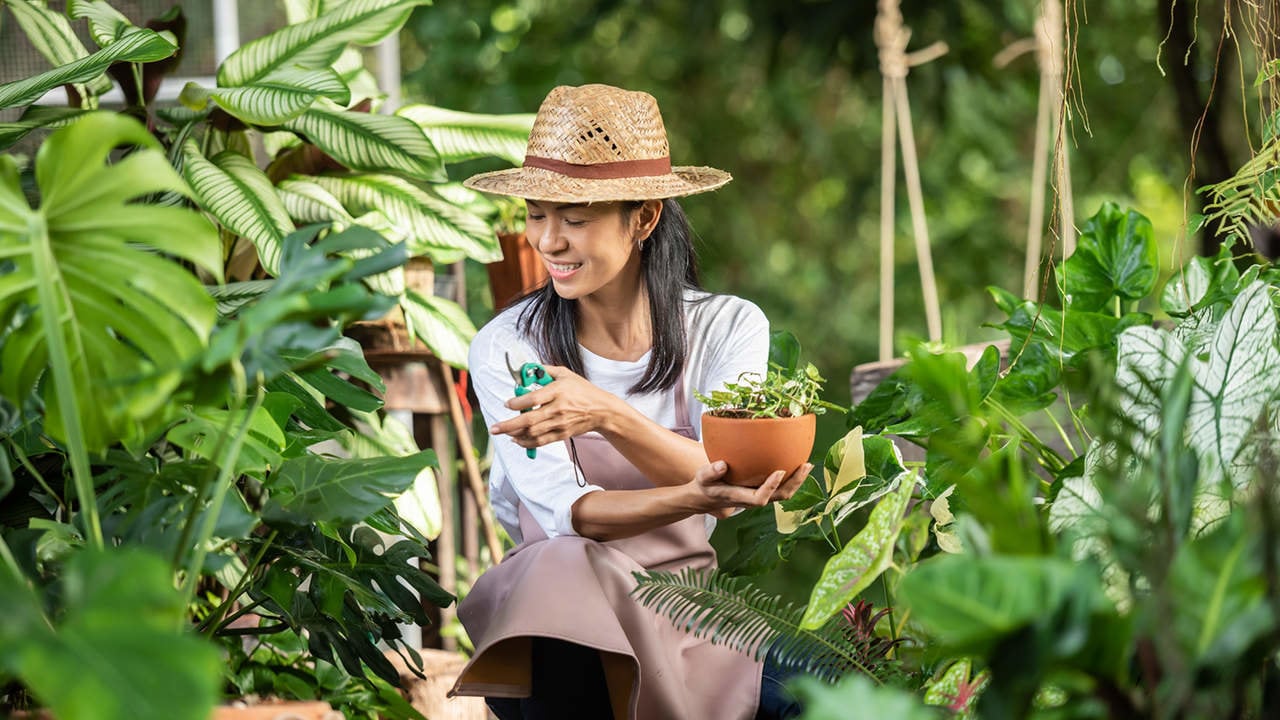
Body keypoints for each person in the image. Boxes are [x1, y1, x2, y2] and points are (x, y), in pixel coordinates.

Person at [448, 84, 810, 720]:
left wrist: (606, 415)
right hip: (553, 620)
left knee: (837, 692)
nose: (548, 242)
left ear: (643, 219)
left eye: (576, 220)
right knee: (561, 569)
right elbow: (571, 515)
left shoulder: (726, 327)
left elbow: (732, 468)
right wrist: (699, 492)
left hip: (685, 607)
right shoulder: (508, 344)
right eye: (537, 215)